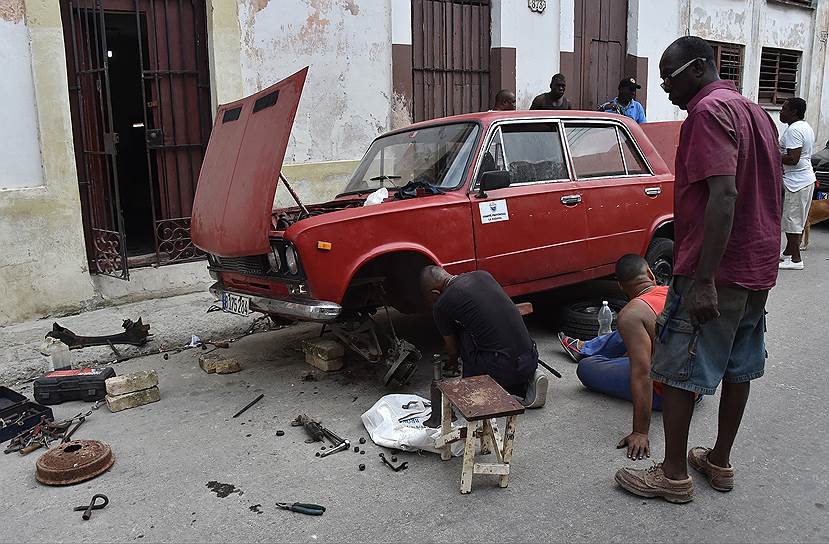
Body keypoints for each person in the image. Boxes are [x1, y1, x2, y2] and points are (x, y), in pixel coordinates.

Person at [614, 36, 781, 504]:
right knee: (738, 365)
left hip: (717, 268)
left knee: (680, 366)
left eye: (671, 75)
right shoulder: (754, 113)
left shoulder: (707, 114)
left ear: (701, 67)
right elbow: (768, 191)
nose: (664, 86)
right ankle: (719, 462)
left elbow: (724, 195)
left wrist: (705, 277)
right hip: (755, 266)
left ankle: (671, 475)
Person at [558, 255, 672, 461]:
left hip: (668, 394)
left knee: (587, 367)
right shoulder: (670, 292)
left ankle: (587, 351)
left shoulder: (631, 313)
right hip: (693, 386)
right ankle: (588, 347)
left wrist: (640, 432)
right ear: (650, 274)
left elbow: (642, 374)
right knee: (632, 322)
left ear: (620, 286)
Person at [419, 266, 548, 408]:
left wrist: (453, 362)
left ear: (435, 292)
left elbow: (452, 349)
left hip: (503, 367)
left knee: (463, 334)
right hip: (530, 357)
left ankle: (512, 389)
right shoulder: (482, 275)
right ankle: (528, 378)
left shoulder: (442, 304)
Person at [778, 97, 816, 270]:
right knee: (797, 219)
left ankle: (795, 259)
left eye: (784, 109)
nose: (781, 111)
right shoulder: (804, 126)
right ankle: (788, 252)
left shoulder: (794, 130)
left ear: (794, 112)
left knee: (792, 220)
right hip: (804, 178)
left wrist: (771, 154)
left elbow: (793, 159)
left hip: (797, 181)